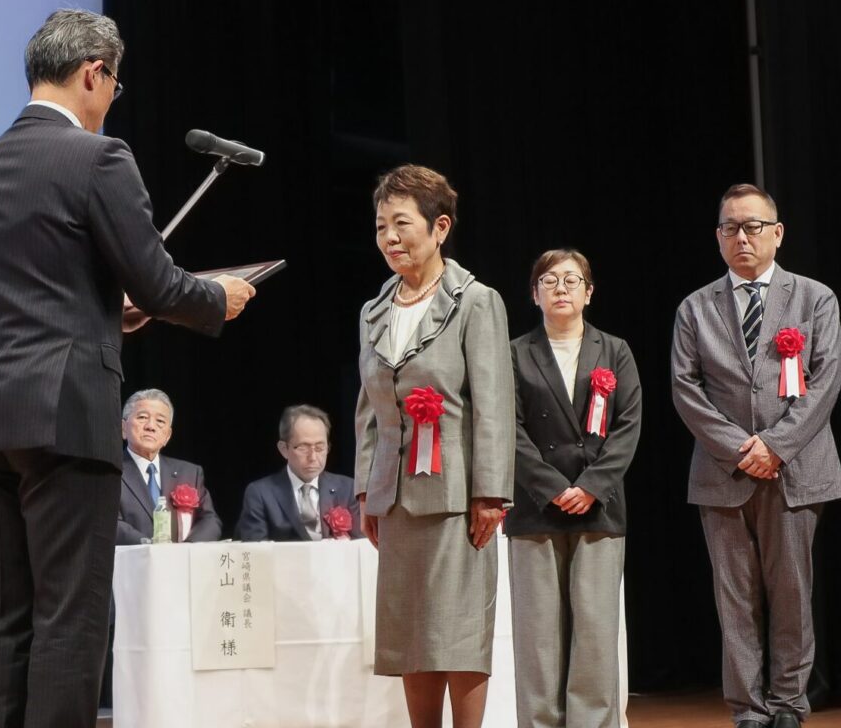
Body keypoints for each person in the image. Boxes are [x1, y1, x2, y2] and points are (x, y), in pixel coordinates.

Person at [0, 9, 254, 728]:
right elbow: (162, 285)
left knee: (6, 615)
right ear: (93, 72)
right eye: (114, 81)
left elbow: (23, 289)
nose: (113, 96)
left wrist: (105, 311)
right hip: (63, 411)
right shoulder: (98, 157)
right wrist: (221, 296)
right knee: (70, 617)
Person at [671, 184, 841, 728]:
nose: (741, 237)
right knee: (735, 599)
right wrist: (739, 449)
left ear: (777, 232)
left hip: (796, 469)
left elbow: (826, 383)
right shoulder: (696, 307)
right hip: (723, 474)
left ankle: (789, 704)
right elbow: (685, 388)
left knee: (792, 593)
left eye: (752, 226)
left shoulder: (815, 298)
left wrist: (776, 446)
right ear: (718, 237)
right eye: (730, 228)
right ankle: (747, 708)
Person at [354, 164, 515, 728]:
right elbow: (368, 410)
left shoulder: (476, 302)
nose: (390, 239)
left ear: (440, 227)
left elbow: (494, 401)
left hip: (457, 498)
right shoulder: (374, 310)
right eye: (380, 227)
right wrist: (365, 491)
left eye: (402, 224)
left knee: (458, 632)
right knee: (410, 634)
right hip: (395, 501)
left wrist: (491, 493)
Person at [507, 249, 641, 728]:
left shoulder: (615, 350)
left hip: (599, 507)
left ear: (589, 292)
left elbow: (628, 427)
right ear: (534, 293)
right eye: (548, 280)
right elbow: (508, 429)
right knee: (538, 636)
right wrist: (551, 487)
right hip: (534, 507)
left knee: (595, 633)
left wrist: (590, 486)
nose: (560, 288)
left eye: (571, 280)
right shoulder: (515, 353)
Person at [235, 405, 362, 541]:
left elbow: (362, 543)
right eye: (303, 448)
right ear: (284, 449)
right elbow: (255, 550)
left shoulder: (348, 489)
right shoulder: (260, 493)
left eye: (319, 447)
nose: (313, 457)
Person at [118, 389, 222, 544]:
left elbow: (210, 521)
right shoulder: (109, 471)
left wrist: (186, 549)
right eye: (142, 417)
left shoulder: (189, 473)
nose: (151, 426)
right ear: (123, 428)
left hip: (180, 564)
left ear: (167, 436)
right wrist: (149, 546)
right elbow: (108, 522)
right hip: (131, 563)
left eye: (160, 421)